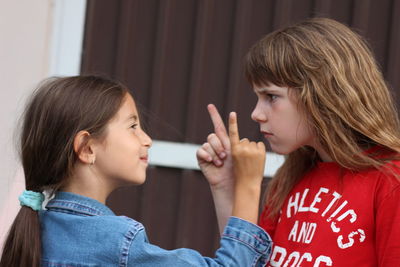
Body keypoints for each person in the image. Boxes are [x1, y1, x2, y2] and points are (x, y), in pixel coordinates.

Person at [0, 75, 272, 267]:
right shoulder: (118, 242)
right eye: (132, 126)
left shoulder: (33, 231)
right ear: (86, 148)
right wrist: (246, 185)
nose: (147, 140)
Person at [197, 17, 400, 266]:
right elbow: (248, 262)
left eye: (271, 96)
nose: (256, 114)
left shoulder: (390, 180)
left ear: (322, 94)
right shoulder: (291, 176)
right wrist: (226, 188)